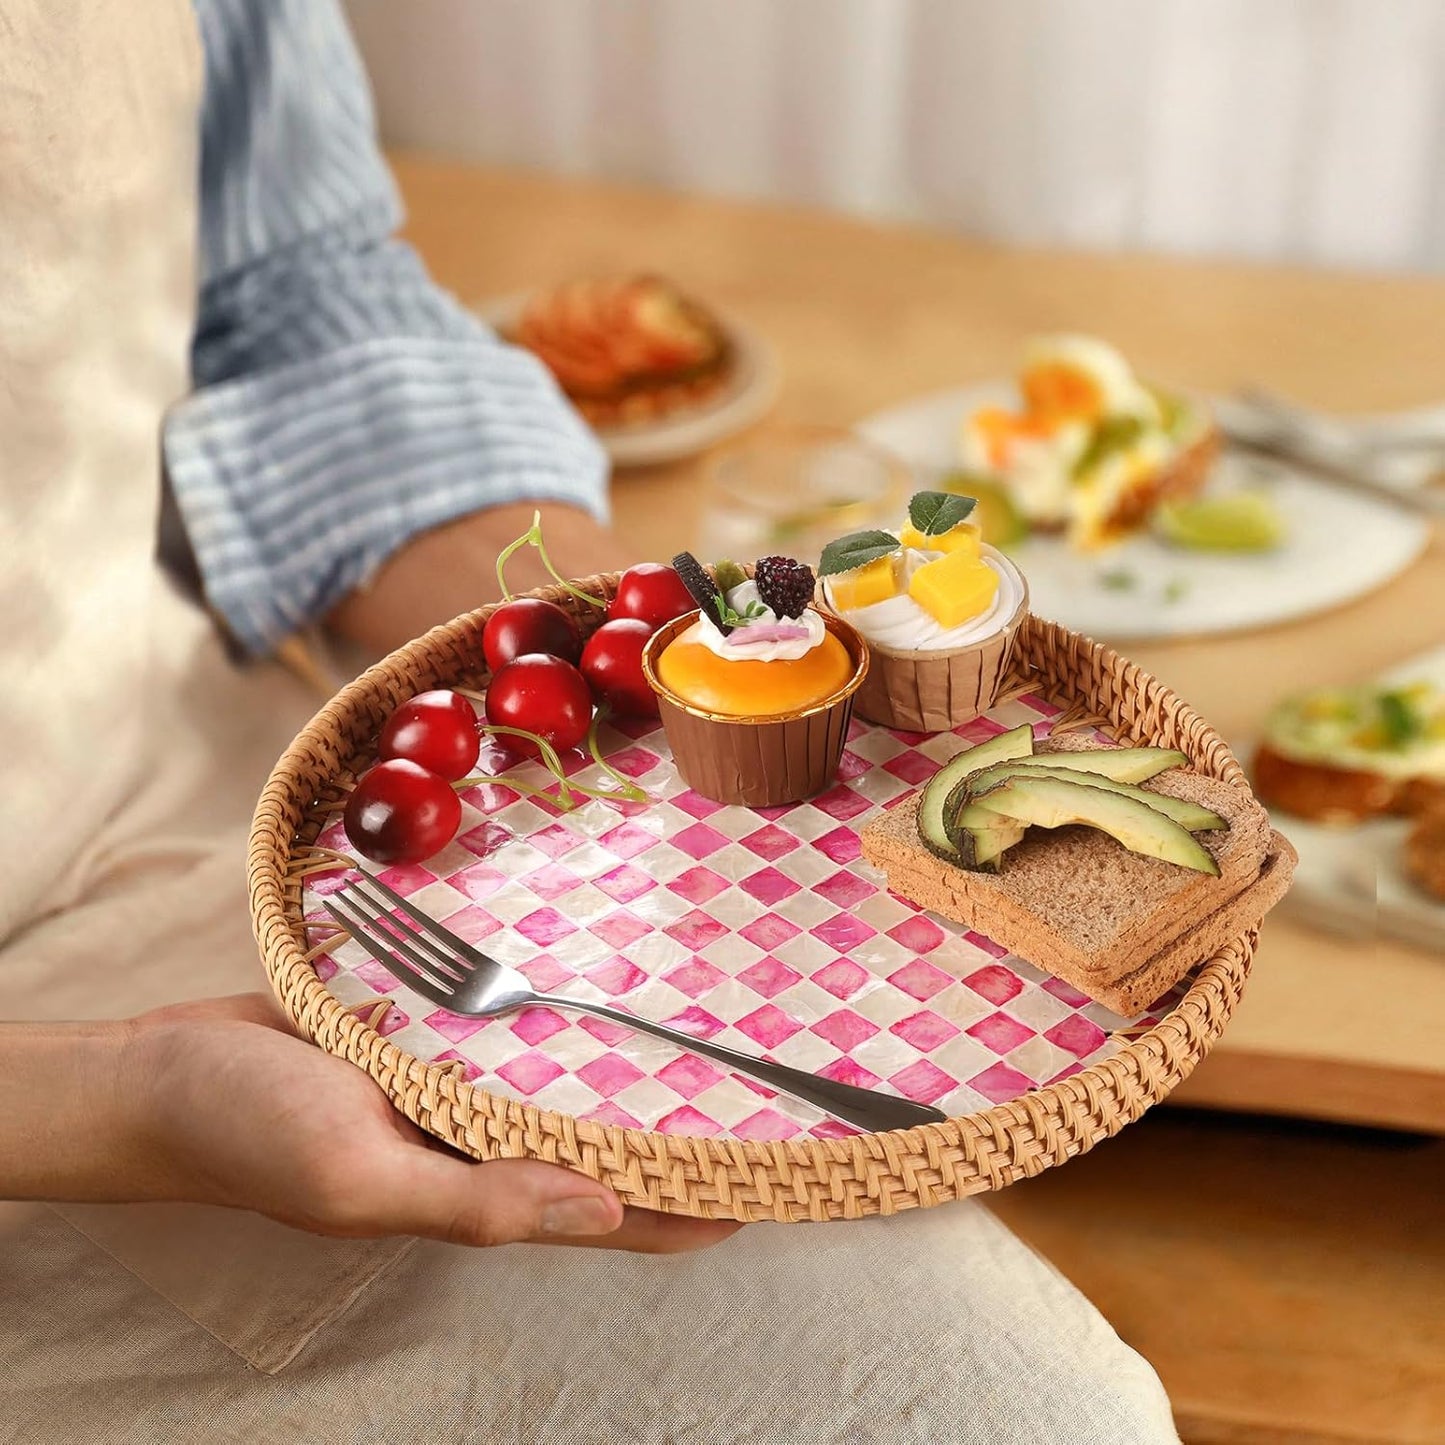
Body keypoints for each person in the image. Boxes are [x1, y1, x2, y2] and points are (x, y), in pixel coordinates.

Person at [0, 2, 1180, 1440]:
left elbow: (293, 307)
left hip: (232, 845)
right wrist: (125, 1099)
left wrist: (644, 651)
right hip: (91, 1088)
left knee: (1041, 1417)